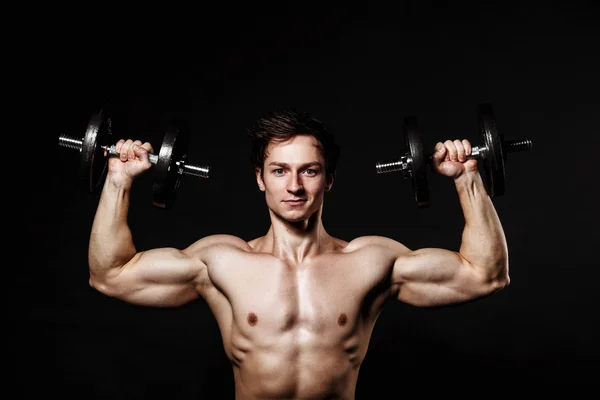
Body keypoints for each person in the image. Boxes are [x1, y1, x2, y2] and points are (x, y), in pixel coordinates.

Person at [88, 108, 510, 399]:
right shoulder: (221, 262)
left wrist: (468, 178)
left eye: (309, 170)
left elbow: (484, 274)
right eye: (279, 171)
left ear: (328, 180)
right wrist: (119, 180)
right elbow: (110, 274)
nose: (294, 186)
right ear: (260, 179)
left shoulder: (370, 262)